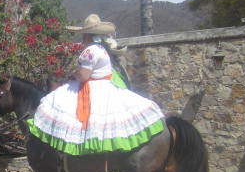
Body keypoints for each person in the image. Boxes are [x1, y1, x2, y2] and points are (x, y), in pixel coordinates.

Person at [29, 14, 165, 155]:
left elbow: (83, 76)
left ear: (87, 35)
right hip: (106, 85)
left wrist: (73, 75)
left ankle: (75, 158)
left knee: (58, 103)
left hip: (94, 88)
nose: (82, 38)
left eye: (83, 35)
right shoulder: (101, 49)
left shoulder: (89, 51)